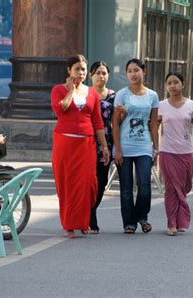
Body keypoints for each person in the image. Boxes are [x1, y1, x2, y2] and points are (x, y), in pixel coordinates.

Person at [51, 54, 109, 239]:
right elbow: (60, 109)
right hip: (65, 142)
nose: (81, 72)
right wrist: (71, 90)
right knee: (67, 184)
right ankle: (70, 225)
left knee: (88, 183)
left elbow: (97, 121)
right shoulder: (58, 89)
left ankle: (83, 221)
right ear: (69, 70)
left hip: (87, 143)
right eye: (77, 69)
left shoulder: (91, 92)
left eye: (83, 69)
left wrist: (105, 147)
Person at [158, 72, 193, 236]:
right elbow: (153, 127)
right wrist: (153, 147)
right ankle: (172, 224)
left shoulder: (191, 106)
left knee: (183, 187)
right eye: (169, 83)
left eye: (176, 82)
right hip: (167, 151)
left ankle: (180, 220)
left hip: (185, 152)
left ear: (183, 84)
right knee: (171, 188)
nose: (173, 86)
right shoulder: (161, 106)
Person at [112, 58, 159, 234]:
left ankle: (141, 215)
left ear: (143, 72)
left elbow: (154, 124)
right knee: (126, 188)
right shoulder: (122, 95)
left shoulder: (152, 96)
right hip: (124, 145)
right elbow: (115, 124)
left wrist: (156, 148)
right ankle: (129, 223)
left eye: (136, 70)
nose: (133, 74)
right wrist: (117, 149)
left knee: (144, 185)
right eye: (130, 71)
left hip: (144, 146)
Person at [88, 61, 122, 234]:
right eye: (98, 73)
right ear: (91, 75)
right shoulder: (85, 94)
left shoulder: (114, 96)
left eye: (104, 73)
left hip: (106, 144)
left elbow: (119, 121)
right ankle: (90, 217)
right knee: (88, 181)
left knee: (101, 181)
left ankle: (91, 211)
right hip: (86, 142)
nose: (101, 76)